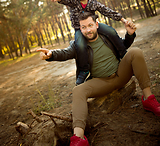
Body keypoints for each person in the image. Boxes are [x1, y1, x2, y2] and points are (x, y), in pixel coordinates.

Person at [37, 12, 160, 146]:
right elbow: (65, 53)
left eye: (90, 25)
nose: (88, 30)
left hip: (120, 74)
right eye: (84, 27)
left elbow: (123, 47)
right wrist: (51, 54)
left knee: (136, 51)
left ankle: (148, 99)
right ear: (80, 29)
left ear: (96, 24)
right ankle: (78, 138)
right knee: (78, 90)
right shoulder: (78, 45)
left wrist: (130, 34)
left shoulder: (107, 36)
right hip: (101, 83)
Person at [51, 0, 129, 85]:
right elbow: (67, 0)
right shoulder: (74, 1)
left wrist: (122, 20)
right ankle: (84, 70)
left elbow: (106, 11)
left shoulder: (93, 2)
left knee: (110, 31)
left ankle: (123, 53)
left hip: (93, 26)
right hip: (80, 28)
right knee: (80, 44)